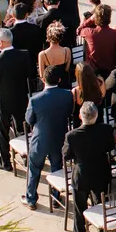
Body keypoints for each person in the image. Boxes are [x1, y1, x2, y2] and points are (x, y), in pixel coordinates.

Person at [62, 101, 116, 232]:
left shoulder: (72, 136)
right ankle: (103, 228)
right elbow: (111, 146)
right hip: (101, 171)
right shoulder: (106, 129)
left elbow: (65, 155)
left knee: (80, 208)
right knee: (100, 201)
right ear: (96, 115)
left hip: (82, 176)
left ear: (80, 116)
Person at [21, 65, 73, 210]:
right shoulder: (68, 95)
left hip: (40, 141)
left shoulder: (35, 100)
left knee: (34, 169)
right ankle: (56, 197)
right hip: (59, 139)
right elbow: (68, 113)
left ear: (43, 79)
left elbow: (29, 119)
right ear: (60, 80)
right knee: (57, 168)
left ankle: (31, 198)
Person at [0, 28, 33, 171]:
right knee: (23, 129)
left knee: (2, 132)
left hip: (3, 102)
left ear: (0, 43)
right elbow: (31, 74)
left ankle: (5, 161)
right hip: (21, 98)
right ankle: (27, 156)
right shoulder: (24, 55)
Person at [77, 4, 116, 77]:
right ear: (109, 17)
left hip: (93, 71)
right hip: (109, 72)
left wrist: (90, 20)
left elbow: (78, 30)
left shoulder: (89, 32)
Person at [37, 20, 74, 90]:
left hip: (50, 87)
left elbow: (42, 76)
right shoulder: (67, 51)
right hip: (65, 85)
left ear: (48, 36)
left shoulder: (42, 54)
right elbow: (66, 69)